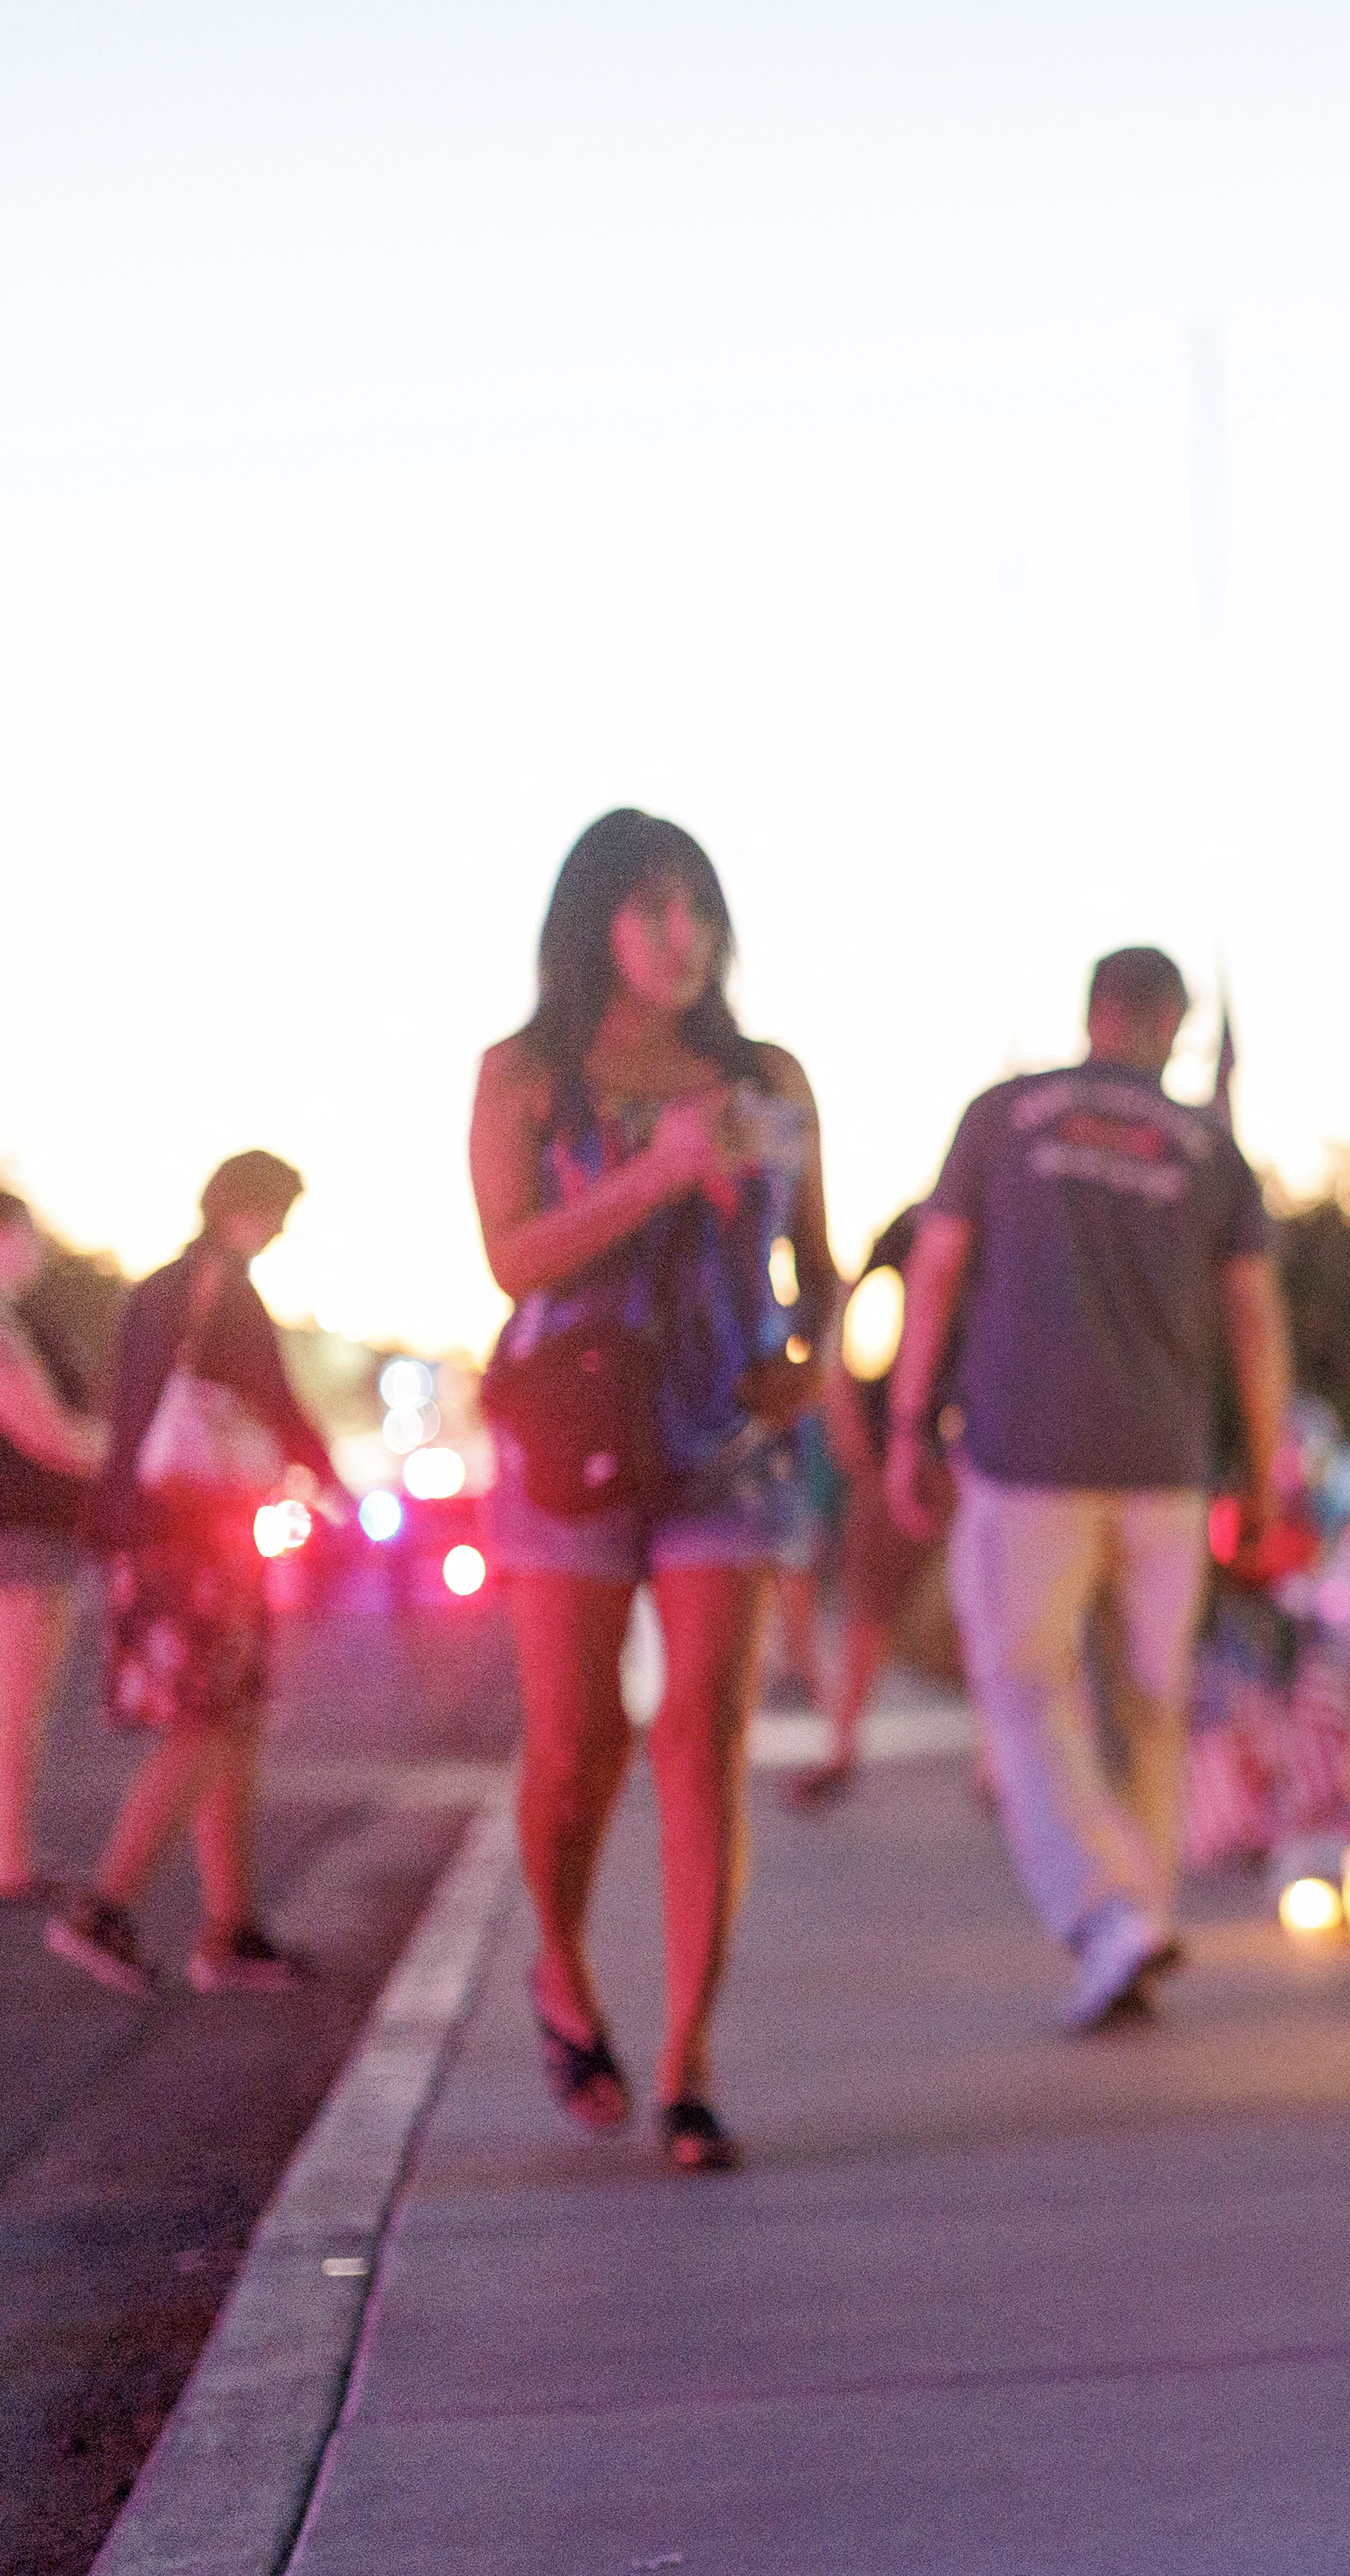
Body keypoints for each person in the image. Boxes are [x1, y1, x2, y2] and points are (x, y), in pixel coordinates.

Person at [469, 810, 846, 2174]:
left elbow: (816, 1258)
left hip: (724, 1447)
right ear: (596, 925)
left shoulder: (768, 1077)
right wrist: (660, 1172)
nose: (680, 935)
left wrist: (815, 1357)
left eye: (696, 907)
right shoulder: (525, 1075)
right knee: (576, 1743)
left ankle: (688, 2062)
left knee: (702, 1734)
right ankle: (563, 1978)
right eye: (650, 909)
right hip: (569, 1439)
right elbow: (516, 1259)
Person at [884, 947, 1290, 2032]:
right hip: (1165, 1468)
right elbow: (1253, 1317)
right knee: (1152, 1708)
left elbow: (937, 1268)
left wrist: (905, 1420)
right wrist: (1269, 1466)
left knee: (1025, 1691)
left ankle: (1113, 1917)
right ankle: (1138, 1919)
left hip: (1028, 1459)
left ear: (1096, 1013)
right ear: (1172, 1024)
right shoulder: (1211, 1150)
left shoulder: (1005, 1118)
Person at [42, 1154, 335, 1995]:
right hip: (196, 1535)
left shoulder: (154, 1290)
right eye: (277, 1212)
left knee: (229, 1719)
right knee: (207, 1718)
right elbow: (276, 1400)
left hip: (144, 1527)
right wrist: (332, 1481)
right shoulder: (224, 1291)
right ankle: (105, 1906)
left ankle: (231, 1928)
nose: (279, 1230)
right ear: (247, 1209)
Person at [784, 1201, 945, 1812]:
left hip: (967, 1439)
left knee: (987, 1601)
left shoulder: (996, 1214)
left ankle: (997, 1767)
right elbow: (847, 1301)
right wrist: (846, 1400)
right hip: (898, 1439)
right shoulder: (915, 1223)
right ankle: (843, 1744)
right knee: (867, 1595)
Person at [0, 1190, 116, 1906]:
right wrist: (134, 1454)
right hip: (23, 1540)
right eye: (28, 1236)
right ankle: (9, 1860)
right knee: (16, 1706)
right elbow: (41, 1431)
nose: (38, 1251)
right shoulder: (5, 1327)